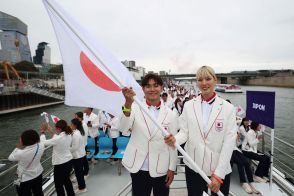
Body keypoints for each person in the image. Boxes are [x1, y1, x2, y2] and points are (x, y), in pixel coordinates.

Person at [165, 65, 237, 196]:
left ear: (215, 80)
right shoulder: (188, 105)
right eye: (200, 80)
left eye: (208, 79)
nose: (204, 83)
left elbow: (229, 143)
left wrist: (218, 175)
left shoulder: (228, 109)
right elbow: (184, 132)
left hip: (219, 169)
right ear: (196, 82)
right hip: (194, 166)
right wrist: (175, 139)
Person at [119, 73, 178, 196]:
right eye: (148, 86)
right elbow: (123, 129)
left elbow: (173, 144)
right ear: (143, 89)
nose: (152, 89)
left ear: (161, 87)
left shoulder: (171, 114)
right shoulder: (133, 108)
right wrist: (127, 104)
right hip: (138, 167)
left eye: (155, 86)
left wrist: (172, 168)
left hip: (161, 168)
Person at [40, 120, 75, 196]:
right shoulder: (68, 134)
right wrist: (50, 130)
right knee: (67, 180)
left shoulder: (58, 139)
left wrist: (42, 132)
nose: (55, 130)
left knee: (58, 185)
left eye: (56, 128)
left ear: (59, 129)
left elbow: (43, 143)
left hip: (61, 164)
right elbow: (57, 137)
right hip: (69, 161)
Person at [8, 130, 45, 196]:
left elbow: (10, 158)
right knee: (38, 192)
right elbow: (42, 139)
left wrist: (18, 147)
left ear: (24, 141)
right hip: (38, 175)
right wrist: (42, 133)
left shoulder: (21, 153)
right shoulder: (41, 146)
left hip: (25, 179)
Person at [70, 118, 87, 194]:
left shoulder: (76, 134)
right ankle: (81, 185)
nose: (70, 125)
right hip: (80, 154)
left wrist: (67, 150)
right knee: (79, 172)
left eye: (71, 124)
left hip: (77, 156)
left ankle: (82, 188)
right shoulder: (78, 132)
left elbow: (74, 147)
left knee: (78, 172)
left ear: (75, 125)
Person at [75, 112, 89, 178]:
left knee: (83, 159)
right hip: (82, 144)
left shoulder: (83, 125)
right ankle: (85, 171)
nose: (75, 118)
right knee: (84, 158)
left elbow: (83, 135)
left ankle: (86, 172)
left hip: (82, 144)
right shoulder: (82, 124)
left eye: (76, 117)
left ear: (79, 117)